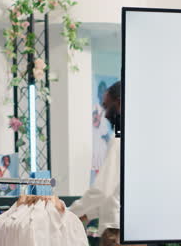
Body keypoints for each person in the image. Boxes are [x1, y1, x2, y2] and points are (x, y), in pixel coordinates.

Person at [69, 81, 127, 246]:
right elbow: (115, 193)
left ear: (120, 103)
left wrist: (70, 214)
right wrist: (88, 214)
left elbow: (103, 191)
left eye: (107, 106)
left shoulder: (118, 142)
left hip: (116, 233)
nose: (105, 114)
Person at [92, 81, 111, 174]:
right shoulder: (94, 108)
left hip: (105, 147)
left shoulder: (109, 109)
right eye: (100, 91)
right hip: (96, 147)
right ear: (97, 93)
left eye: (104, 91)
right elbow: (96, 124)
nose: (102, 94)